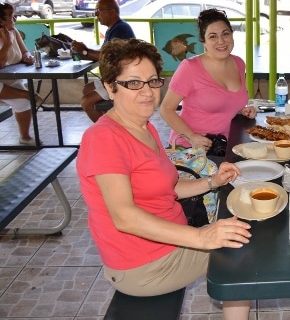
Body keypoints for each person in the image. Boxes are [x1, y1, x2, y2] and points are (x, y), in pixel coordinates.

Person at [76, 38, 252, 319]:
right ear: (110, 87)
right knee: (239, 256)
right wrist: (201, 237)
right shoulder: (104, 138)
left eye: (153, 81)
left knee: (238, 233)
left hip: (164, 245)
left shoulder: (143, 127)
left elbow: (166, 189)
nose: (147, 92)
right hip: (144, 264)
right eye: (133, 83)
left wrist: (212, 182)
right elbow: (125, 217)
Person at [160, 8, 256, 154]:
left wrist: (241, 110)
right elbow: (166, 109)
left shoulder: (239, 63)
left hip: (226, 146)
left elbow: (225, 101)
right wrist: (192, 137)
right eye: (213, 36)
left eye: (225, 34)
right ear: (203, 41)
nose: (221, 41)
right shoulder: (190, 68)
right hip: (189, 149)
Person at [71, 0, 136, 122]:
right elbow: (103, 54)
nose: (96, 14)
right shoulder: (113, 29)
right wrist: (81, 52)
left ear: (112, 12)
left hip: (121, 81)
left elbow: (109, 57)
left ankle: (109, 132)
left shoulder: (120, 29)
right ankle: (111, 122)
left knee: (86, 102)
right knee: (87, 89)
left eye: (98, 11)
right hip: (113, 77)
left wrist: (85, 51)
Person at [0, 2, 43, 146]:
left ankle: (24, 137)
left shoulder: (14, 31)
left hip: (11, 78)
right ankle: (27, 94)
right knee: (25, 96)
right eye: (11, 17)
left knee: (24, 103)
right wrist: (6, 44)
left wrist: (27, 56)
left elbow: (24, 50)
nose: (15, 19)